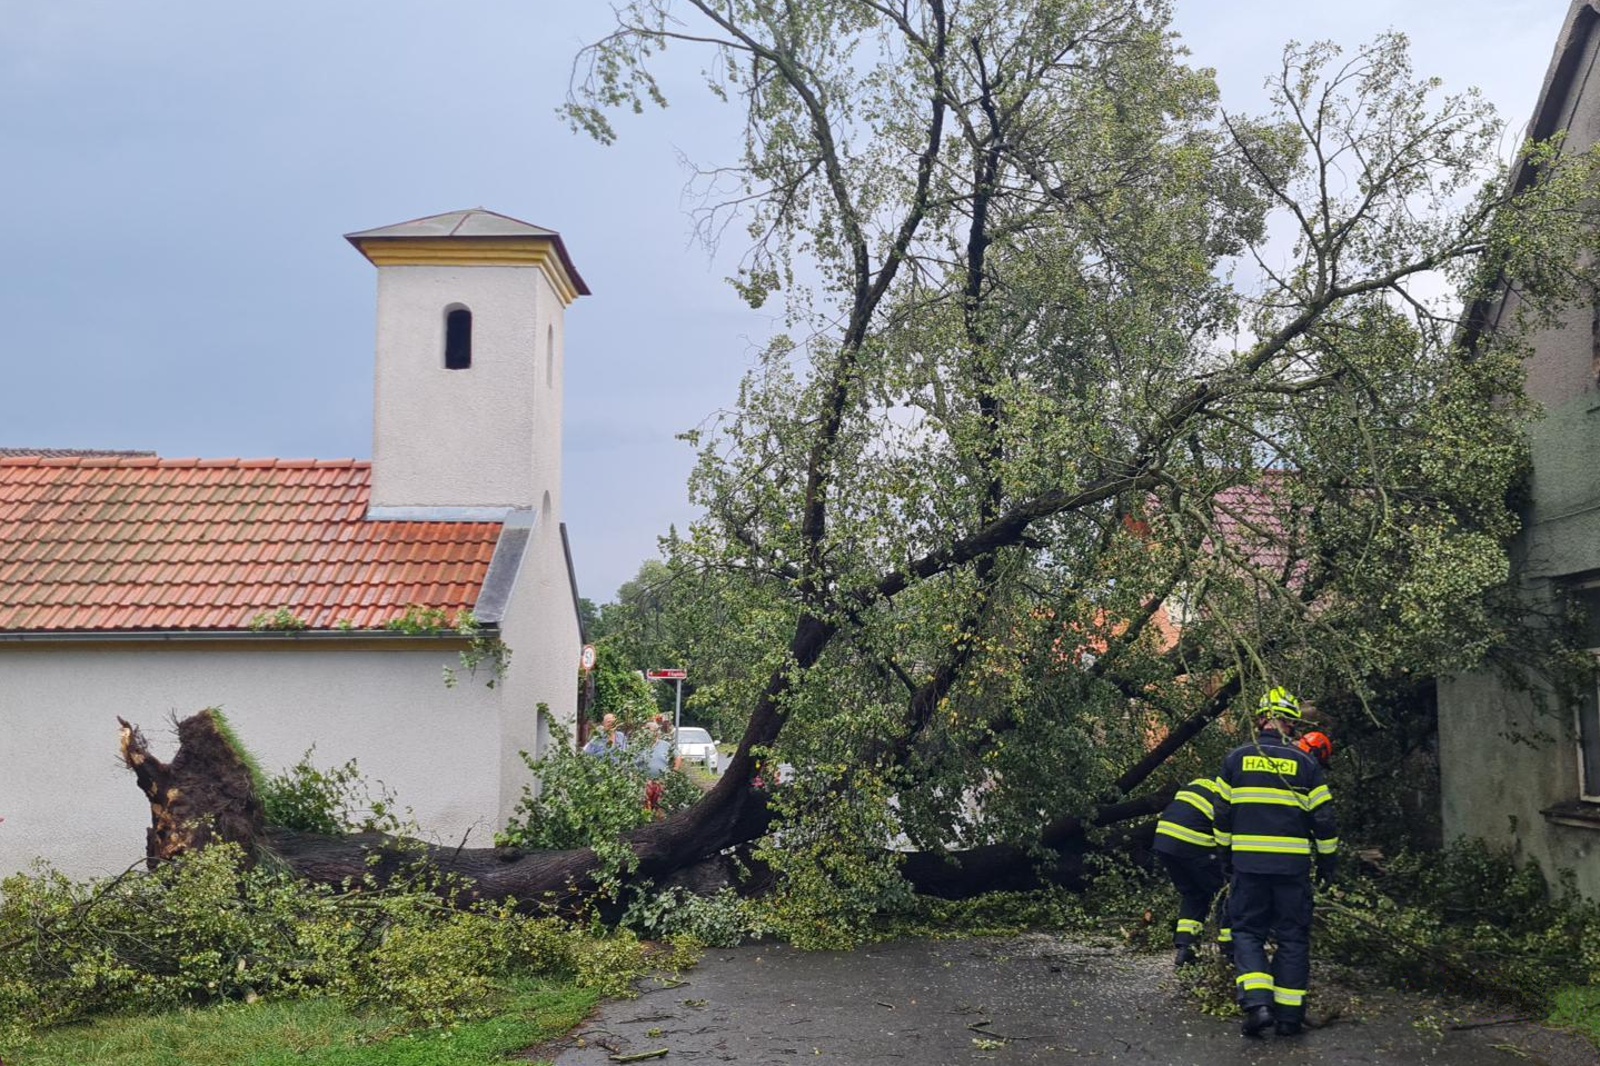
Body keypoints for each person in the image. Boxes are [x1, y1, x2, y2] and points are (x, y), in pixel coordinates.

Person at [1214, 686, 1338, 1039]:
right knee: (1293, 937)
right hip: (1292, 870)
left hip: (1249, 867)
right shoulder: (1306, 763)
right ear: (1291, 725)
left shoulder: (1236, 759)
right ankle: (1288, 1017)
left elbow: (1221, 816)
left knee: (1248, 932)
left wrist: (1226, 856)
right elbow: (1325, 821)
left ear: (1260, 718)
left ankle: (1258, 1006)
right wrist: (1328, 864)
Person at [1152, 776, 1233, 968]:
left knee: (1193, 893)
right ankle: (1230, 949)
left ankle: (1185, 948)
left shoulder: (1200, 782)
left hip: (1164, 841)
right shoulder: (1231, 794)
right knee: (1225, 892)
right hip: (1194, 842)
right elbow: (1228, 834)